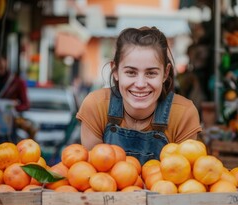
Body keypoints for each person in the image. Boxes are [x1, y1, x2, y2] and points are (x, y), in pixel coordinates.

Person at [76, 27, 202, 165]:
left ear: (165, 74)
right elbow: (89, 174)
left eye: (151, 73)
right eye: (131, 72)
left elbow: (182, 178)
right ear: (116, 71)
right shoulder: (96, 106)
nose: (140, 84)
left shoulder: (183, 114)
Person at [0, 54, 30, 150]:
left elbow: (26, 104)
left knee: (8, 152)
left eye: (0, 62)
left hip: (8, 127)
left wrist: (12, 107)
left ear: (6, 61)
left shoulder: (16, 82)